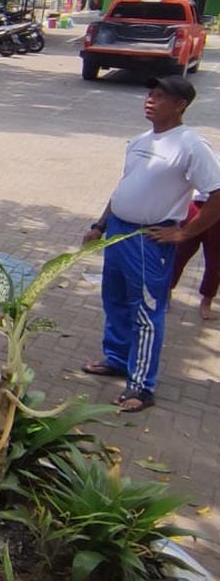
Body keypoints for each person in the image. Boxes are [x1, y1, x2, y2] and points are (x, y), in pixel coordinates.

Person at [81, 76, 220, 412]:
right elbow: (125, 186)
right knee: (114, 298)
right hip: (117, 231)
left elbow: (216, 193)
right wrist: (100, 224)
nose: (150, 100)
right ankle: (117, 358)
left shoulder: (190, 145)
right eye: (150, 94)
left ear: (180, 105)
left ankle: (141, 386)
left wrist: (185, 232)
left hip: (149, 239)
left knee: (145, 311)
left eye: (160, 96)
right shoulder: (141, 140)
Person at [171, 187, 220, 321]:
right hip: (197, 205)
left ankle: (207, 301)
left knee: (215, 263)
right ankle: (166, 292)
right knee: (180, 253)